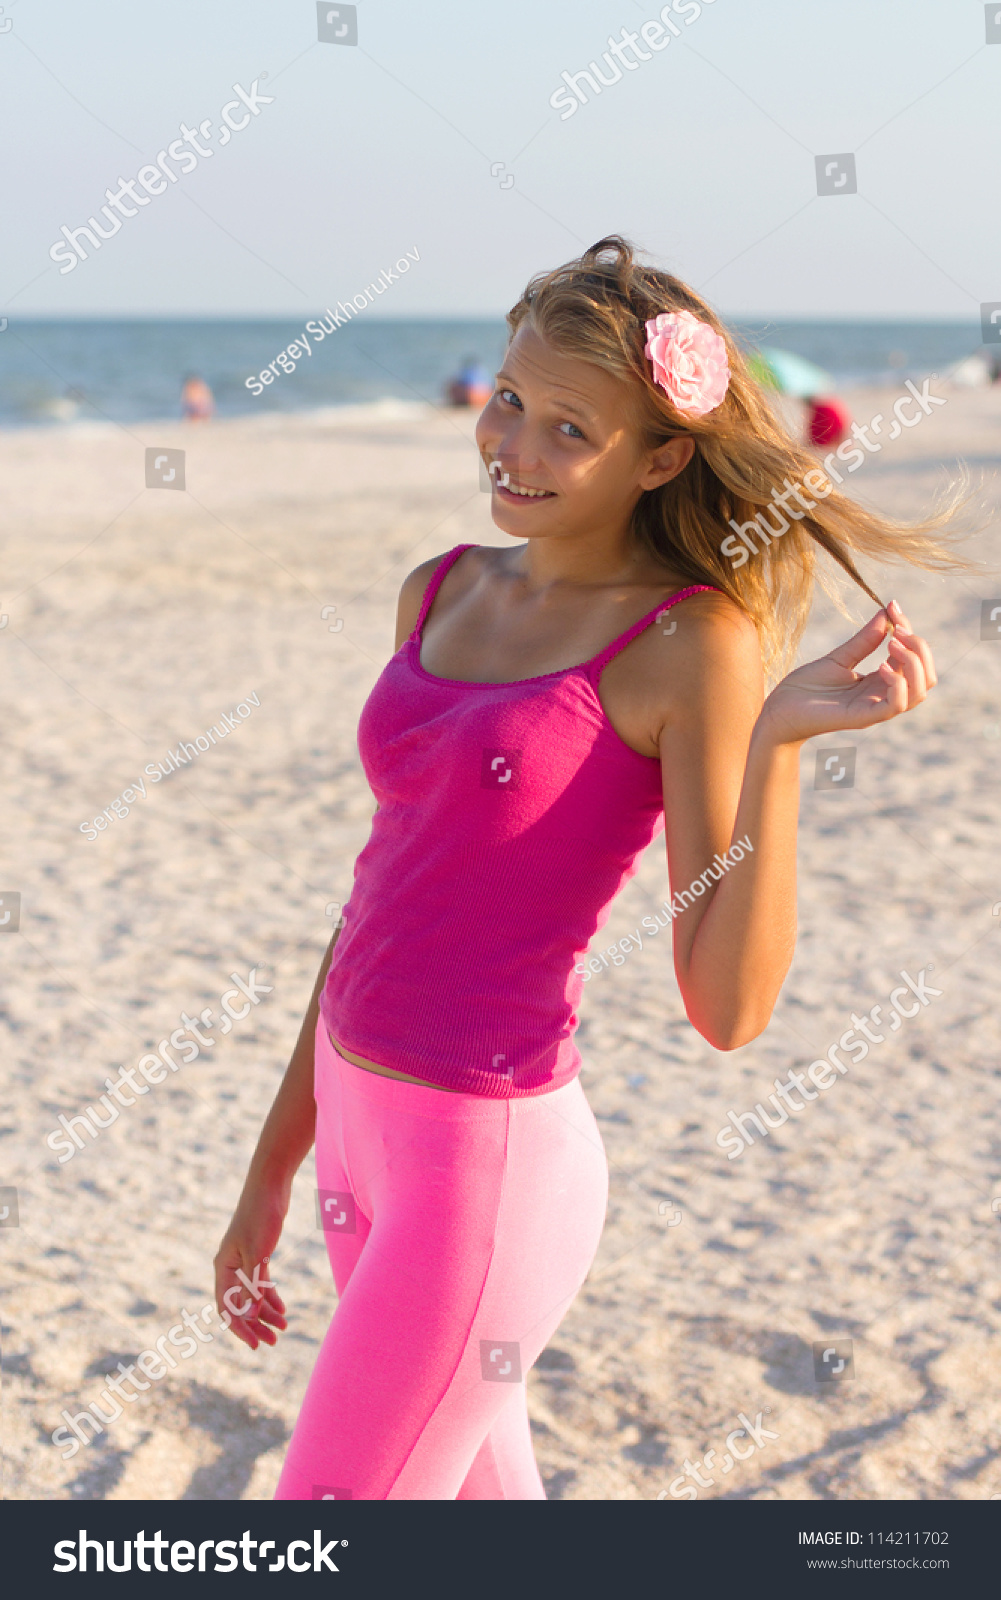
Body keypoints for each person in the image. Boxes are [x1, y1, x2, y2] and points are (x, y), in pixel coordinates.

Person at [214, 236, 961, 1500]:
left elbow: (725, 1008)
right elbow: (374, 902)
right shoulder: (437, 590)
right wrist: (269, 1167)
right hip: (353, 1131)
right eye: (508, 401)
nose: (515, 446)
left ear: (660, 455)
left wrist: (777, 745)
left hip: (482, 1168)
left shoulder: (689, 644)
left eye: (571, 429)